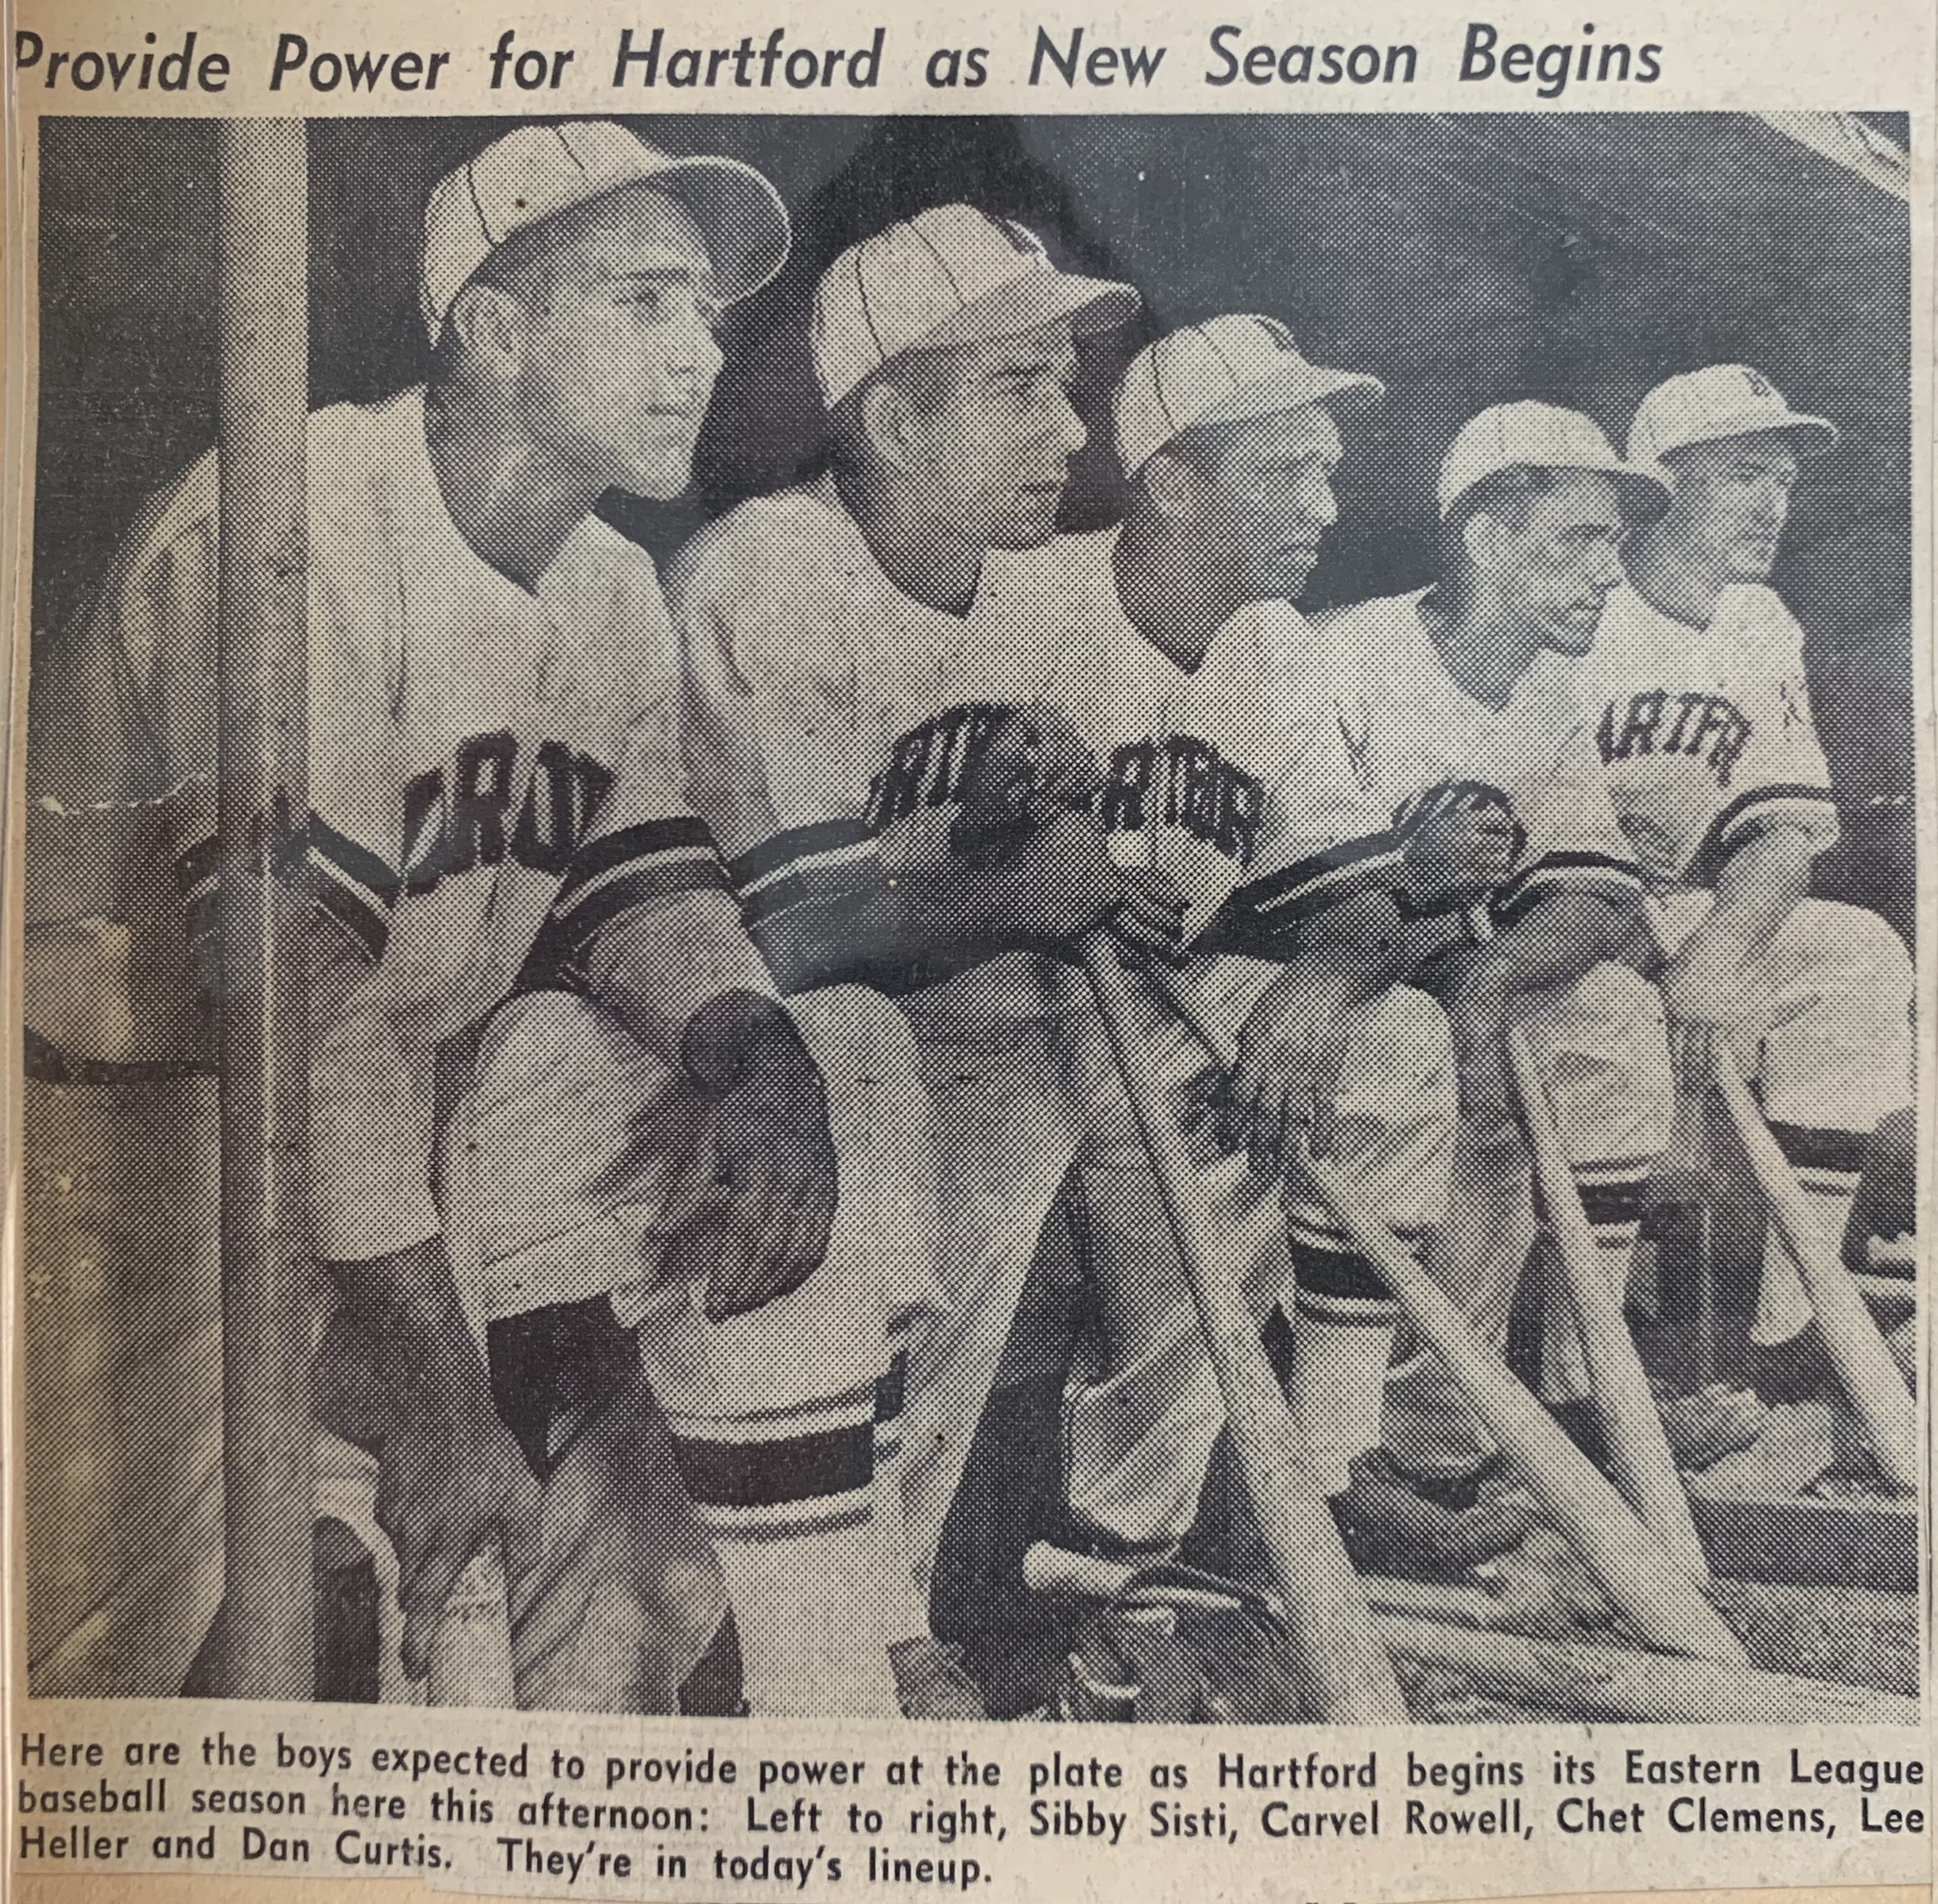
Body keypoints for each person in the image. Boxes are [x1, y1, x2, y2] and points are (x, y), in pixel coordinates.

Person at [29, 120, 935, 1719]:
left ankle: (830, 1679)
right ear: (493, 328)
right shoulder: (287, 526)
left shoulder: (599, 590)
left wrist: (754, 1052)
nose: (698, 354)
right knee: (92, 1665)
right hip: (131, 1157)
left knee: (837, 1053)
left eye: (706, 316)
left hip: (398, 1114)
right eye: (644, 303)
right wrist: (438, 1381)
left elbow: (635, 879)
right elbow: (284, 999)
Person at [673, 203, 1200, 1694]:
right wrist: (1028, 890)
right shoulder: (769, 572)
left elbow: (971, 865)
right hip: (692, 1086)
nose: (1071, 431)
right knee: (881, 1054)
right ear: (896, 423)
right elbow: (791, 929)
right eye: (1016, 389)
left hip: (879, 1058)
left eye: (1068, 384)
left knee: (1024, 1049)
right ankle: (829, 1634)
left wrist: (1009, 831)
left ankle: (875, 1619)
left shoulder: (1033, 589)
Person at [987, 315, 1530, 1570]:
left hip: (1151, 1023)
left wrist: (1323, 986)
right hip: (983, 1028)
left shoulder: (1274, 645)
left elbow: (1353, 888)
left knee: (1384, 1037)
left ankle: (1334, 1468)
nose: (1327, 507)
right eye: (1287, 471)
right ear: (1171, 482)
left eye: (1330, 469)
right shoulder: (1019, 600)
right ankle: (1115, 1556)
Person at [1319, 402, 1683, 1490]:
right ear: (1483, 539)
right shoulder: (1341, 658)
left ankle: (1557, 1401)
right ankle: (1349, 1468)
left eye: (1612, 542)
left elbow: (1593, 895)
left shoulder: (1543, 690)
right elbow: (1264, 897)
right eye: (1579, 538)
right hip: (1314, 991)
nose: (1609, 572)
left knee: (1608, 1016)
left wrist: (1490, 979)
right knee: (1427, 1054)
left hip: (1439, 988)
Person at [1580, 366, 1915, 1367]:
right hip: (1546, 919)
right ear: (1658, 483)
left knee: (1855, 954)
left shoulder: (1756, 621)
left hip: (1672, 920)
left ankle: (1792, 1315)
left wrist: (1717, 953)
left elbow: (1779, 834)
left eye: (1781, 478)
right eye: (1740, 475)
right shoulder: (1578, 599)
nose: (1772, 502)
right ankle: (1594, 1350)